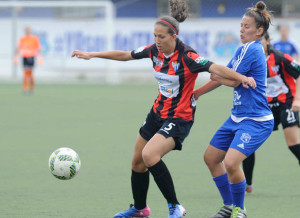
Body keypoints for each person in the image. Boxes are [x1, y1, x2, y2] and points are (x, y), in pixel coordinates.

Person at [72, 1, 255, 217]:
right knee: (138, 161)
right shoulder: (153, 51)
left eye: (162, 37)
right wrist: (93, 54)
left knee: (150, 155)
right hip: (157, 112)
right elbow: (125, 54)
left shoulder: (188, 56)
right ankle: (140, 209)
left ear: (173, 36)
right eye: (155, 36)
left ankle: (175, 206)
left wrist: (241, 77)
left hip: (180, 117)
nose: (157, 41)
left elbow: (215, 67)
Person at [193, 1, 273, 217]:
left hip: (256, 120)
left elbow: (231, 79)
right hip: (237, 118)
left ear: (259, 31)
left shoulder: (252, 49)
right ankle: (228, 206)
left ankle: (240, 209)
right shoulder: (242, 49)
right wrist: (198, 92)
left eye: (247, 26)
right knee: (211, 158)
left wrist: (222, 75)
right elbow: (225, 76)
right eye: (241, 26)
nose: (242, 30)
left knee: (230, 162)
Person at [242, 31, 300, 193]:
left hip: (285, 103)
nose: (258, 44)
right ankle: (247, 183)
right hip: (264, 107)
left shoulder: (280, 58)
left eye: (261, 41)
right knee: (248, 144)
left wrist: (297, 100)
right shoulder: (250, 60)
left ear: (267, 41)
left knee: (294, 144)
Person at [14, 26, 42, 94]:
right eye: (26, 30)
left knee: (31, 73)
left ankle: (32, 88)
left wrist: (40, 58)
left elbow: (39, 48)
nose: (27, 31)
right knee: (25, 73)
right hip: (25, 57)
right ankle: (25, 88)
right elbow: (18, 48)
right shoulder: (22, 39)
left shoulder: (34, 39)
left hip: (31, 57)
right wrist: (15, 57)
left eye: (28, 30)